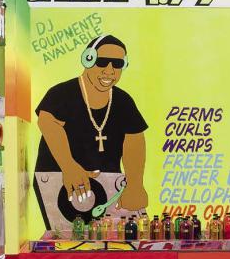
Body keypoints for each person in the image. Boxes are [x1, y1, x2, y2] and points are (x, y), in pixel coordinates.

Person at [34, 34, 148, 235]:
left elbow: (135, 139)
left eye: (117, 64)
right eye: (102, 61)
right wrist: (69, 166)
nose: (109, 70)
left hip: (107, 186)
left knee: (114, 237)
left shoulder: (123, 101)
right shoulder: (62, 93)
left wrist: (135, 184)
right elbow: (47, 121)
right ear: (88, 59)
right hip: (60, 181)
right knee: (66, 236)